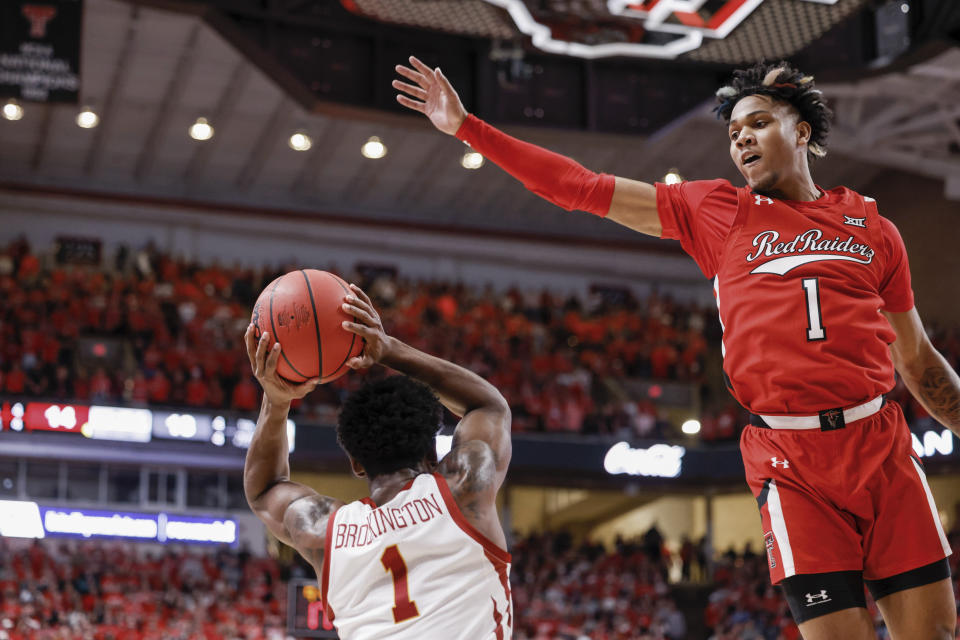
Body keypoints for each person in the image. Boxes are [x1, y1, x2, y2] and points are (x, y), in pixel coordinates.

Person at [393, 56, 960, 638]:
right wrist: (467, 127)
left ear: (802, 132)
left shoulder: (874, 228)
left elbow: (917, 360)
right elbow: (579, 187)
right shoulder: (716, 211)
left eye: (759, 123)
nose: (742, 140)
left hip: (880, 444)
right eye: (733, 134)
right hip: (791, 460)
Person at [242, 283, 512, 639]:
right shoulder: (464, 487)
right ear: (433, 452)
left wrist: (276, 400)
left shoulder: (326, 531)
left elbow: (265, 489)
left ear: (356, 463)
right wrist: (388, 349)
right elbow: (488, 405)